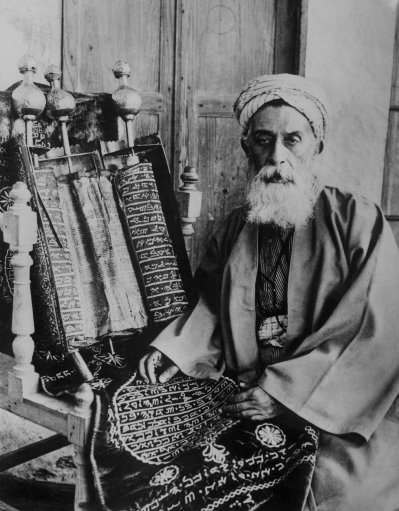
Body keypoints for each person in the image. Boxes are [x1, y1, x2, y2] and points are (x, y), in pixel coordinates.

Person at [138, 73, 399, 510]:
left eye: (292, 139)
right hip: (248, 393)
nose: (277, 157)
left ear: (317, 145)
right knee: (176, 477)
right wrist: (176, 350)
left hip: (336, 409)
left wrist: (283, 395)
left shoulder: (358, 220)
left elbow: (376, 332)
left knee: (336, 493)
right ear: (247, 148)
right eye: (263, 140)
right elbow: (210, 305)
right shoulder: (236, 224)